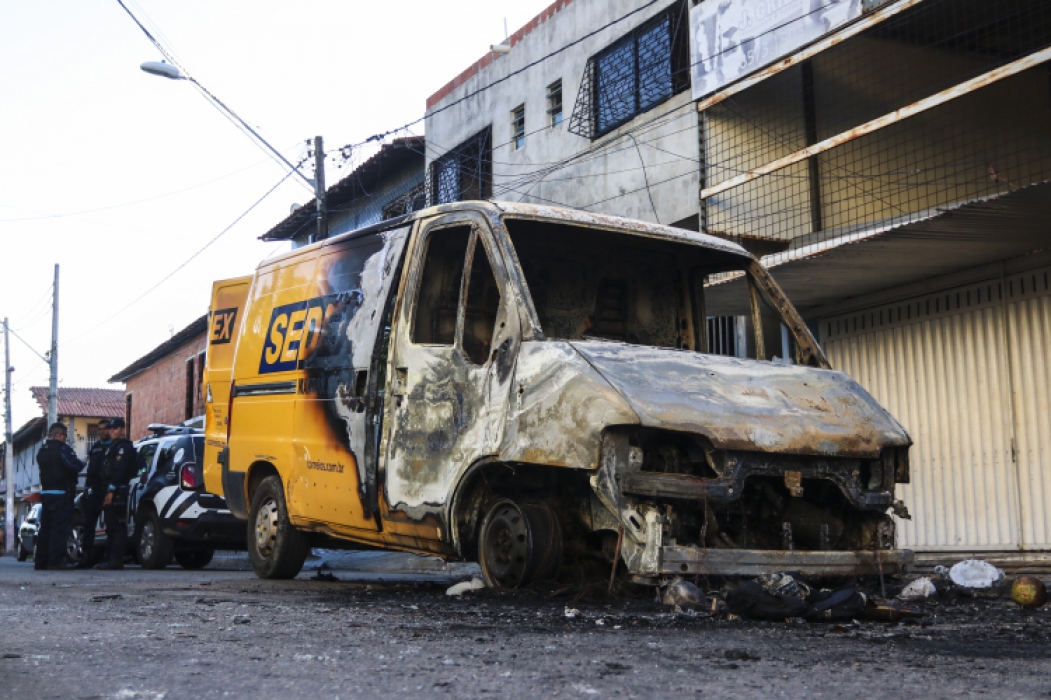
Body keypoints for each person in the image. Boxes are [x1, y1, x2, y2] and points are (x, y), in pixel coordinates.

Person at [35, 422, 85, 570]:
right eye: (64, 435)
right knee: (59, 529)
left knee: (45, 529)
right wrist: (83, 463)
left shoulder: (42, 451)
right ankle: (55, 561)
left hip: (46, 493)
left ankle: (40, 561)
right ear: (59, 435)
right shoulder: (63, 449)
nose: (65, 439)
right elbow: (75, 465)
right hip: (61, 494)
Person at [96, 417, 136, 570]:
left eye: (115, 429)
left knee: (117, 526)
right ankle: (111, 558)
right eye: (110, 429)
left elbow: (119, 471)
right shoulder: (113, 446)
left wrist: (111, 490)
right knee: (111, 525)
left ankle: (116, 559)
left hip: (118, 490)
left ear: (122, 430)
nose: (111, 431)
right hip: (110, 488)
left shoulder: (123, 447)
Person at [74, 418, 111, 568]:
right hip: (95, 490)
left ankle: (109, 558)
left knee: (111, 525)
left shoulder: (116, 446)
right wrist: (86, 488)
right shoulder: (95, 447)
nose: (102, 432)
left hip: (110, 490)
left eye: (105, 428)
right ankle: (86, 557)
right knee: (88, 523)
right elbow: (91, 470)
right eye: (100, 429)